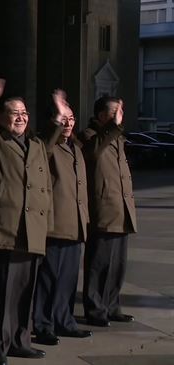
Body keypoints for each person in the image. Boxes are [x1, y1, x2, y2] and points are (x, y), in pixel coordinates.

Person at [0, 73, 53, 365]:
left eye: (24, 113)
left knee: (24, 293)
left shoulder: (35, 145)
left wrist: (60, 118)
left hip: (31, 230)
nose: (20, 118)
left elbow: (48, 144)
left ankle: (20, 340)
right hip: (3, 230)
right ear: (1, 117)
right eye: (13, 113)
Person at [33, 90, 93, 346]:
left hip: (75, 223)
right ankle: (43, 324)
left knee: (68, 279)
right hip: (55, 225)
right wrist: (57, 120)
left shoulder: (74, 149)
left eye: (71, 118)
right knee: (49, 280)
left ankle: (65, 320)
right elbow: (44, 149)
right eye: (63, 119)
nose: (69, 123)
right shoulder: (44, 146)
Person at [79, 96, 137, 328]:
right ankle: (95, 309)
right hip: (103, 210)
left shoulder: (117, 138)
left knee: (117, 265)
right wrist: (113, 128)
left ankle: (112, 305)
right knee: (99, 264)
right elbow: (93, 153)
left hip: (120, 210)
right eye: (114, 112)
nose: (119, 116)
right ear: (101, 115)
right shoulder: (89, 136)